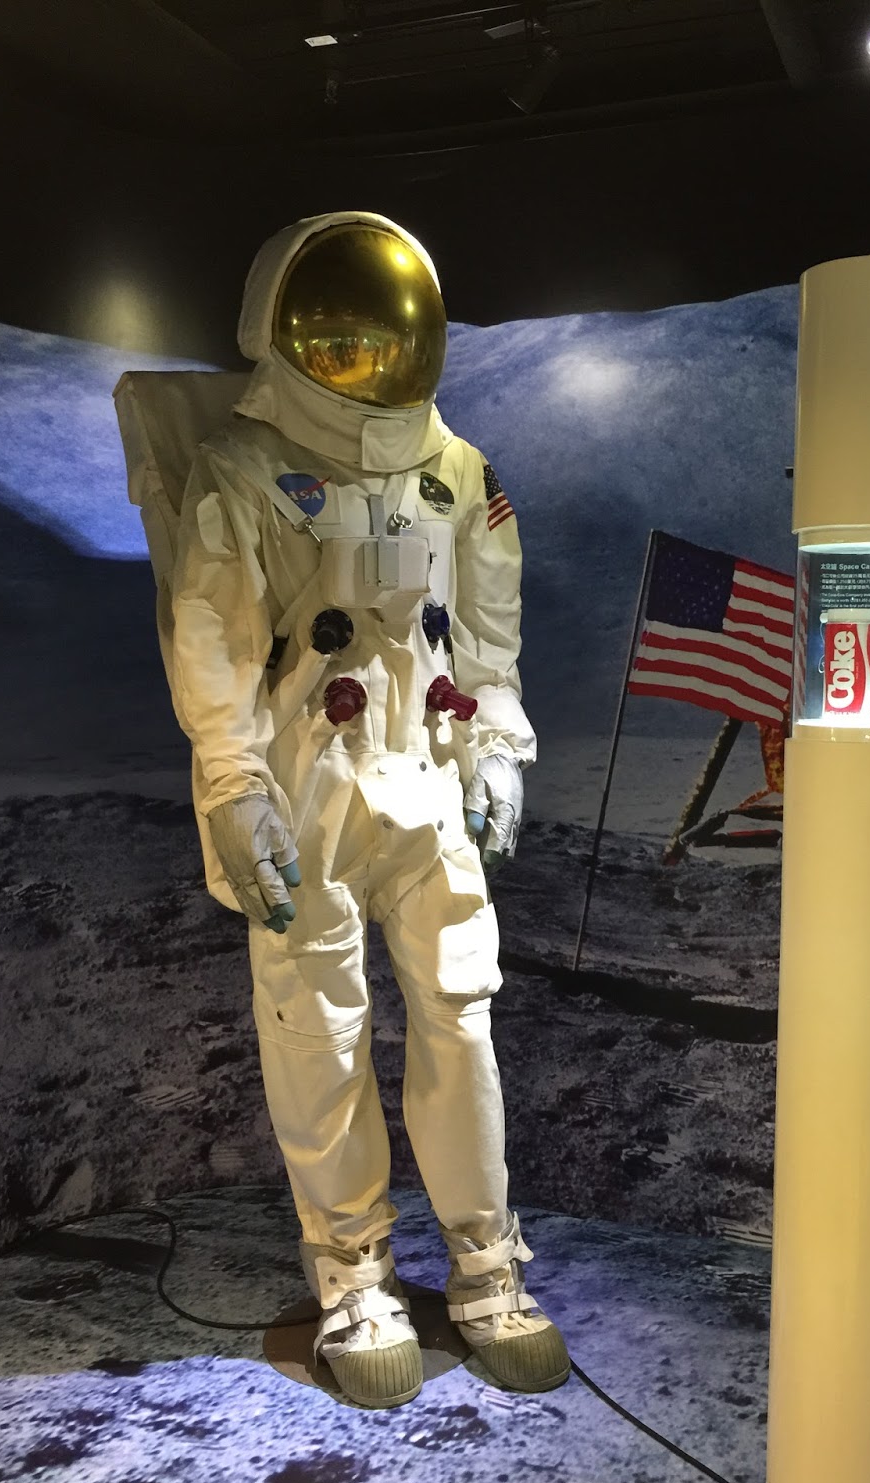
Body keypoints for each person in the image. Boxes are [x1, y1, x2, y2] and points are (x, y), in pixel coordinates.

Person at [169, 210, 569, 1409]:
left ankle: (486, 1264)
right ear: (283, 332)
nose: (367, 357)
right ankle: (354, 1275)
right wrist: (234, 785)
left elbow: (486, 636)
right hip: (309, 786)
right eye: (339, 338)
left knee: (461, 1016)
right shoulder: (243, 472)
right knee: (320, 1032)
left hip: (426, 777)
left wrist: (495, 741)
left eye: (383, 336)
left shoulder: (459, 472)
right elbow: (213, 640)